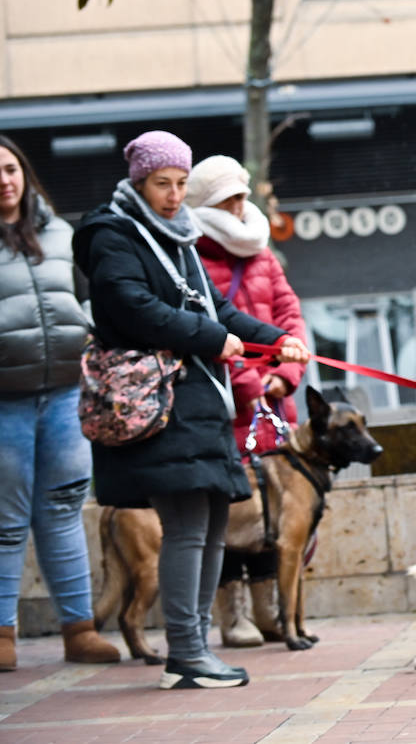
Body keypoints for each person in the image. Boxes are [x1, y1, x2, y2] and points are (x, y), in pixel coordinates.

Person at [72, 131, 308, 689]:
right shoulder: (113, 234)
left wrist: (274, 340)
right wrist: (209, 338)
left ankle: (195, 647)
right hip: (159, 403)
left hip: (198, 401)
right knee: (183, 524)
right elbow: (130, 306)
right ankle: (187, 650)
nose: (175, 195)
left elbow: (218, 308)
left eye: (181, 183)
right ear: (138, 181)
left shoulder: (180, 234)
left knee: (210, 522)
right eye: (163, 184)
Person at [0, 136, 120, 671]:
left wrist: (90, 330)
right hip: (5, 402)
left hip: (66, 393)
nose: (4, 180)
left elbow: (84, 296)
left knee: (64, 511)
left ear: (24, 173)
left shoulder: (60, 232)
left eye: (10, 169)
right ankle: (3, 636)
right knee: (5, 521)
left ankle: (79, 629)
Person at [185, 155, 308, 648]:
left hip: (274, 406)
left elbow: (289, 317)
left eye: (241, 197)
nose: (239, 208)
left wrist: (287, 373)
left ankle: (268, 609)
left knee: (272, 513)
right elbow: (210, 329)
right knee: (231, 508)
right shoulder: (192, 257)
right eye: (226, 200)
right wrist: (253, 386)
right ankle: (231, 615)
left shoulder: (263, 254)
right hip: (228, 407)